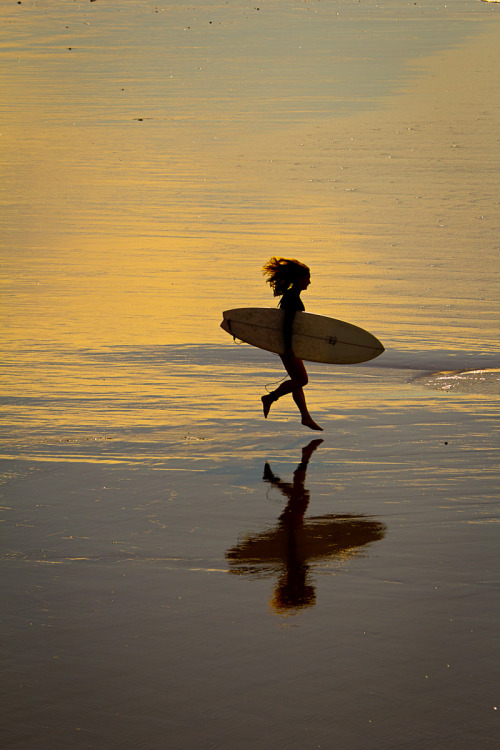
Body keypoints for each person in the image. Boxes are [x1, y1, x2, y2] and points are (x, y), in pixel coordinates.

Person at [261, 257, 323, 431]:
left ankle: (306, 418)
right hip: (288, 345)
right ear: (298, 279)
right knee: (302, 379)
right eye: (307, 278)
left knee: (297, 381)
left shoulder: (291, 296)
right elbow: (287, 325)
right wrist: (288, 348)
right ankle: (270, 398)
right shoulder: (292, 298)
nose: (309, 282)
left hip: (290, 344)